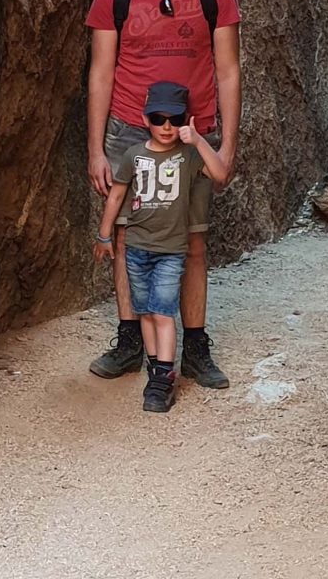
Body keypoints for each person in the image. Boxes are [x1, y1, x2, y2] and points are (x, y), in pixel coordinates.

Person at [86, 0, 241, 387]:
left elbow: (227, 72)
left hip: (192, 135)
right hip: (131, 131)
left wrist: (226, 145)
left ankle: (194, 344)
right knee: (129, 238)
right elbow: (102, 72)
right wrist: (96, 149)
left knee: (191, 242)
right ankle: (132, 339)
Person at [93, 82, 229, 412]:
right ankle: (157, 367)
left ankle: (162, 378)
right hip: (138, 248)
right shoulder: (133, 155)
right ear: (145, 119)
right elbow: (116, 195)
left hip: (171, 251)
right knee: (145, 313)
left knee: (163, 312)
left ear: (185, 119)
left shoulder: (190, 155)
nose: (166, 126)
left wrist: (196, 138)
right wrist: (104, 235)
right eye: (158, 118)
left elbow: (221, 174)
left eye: (175, 118)